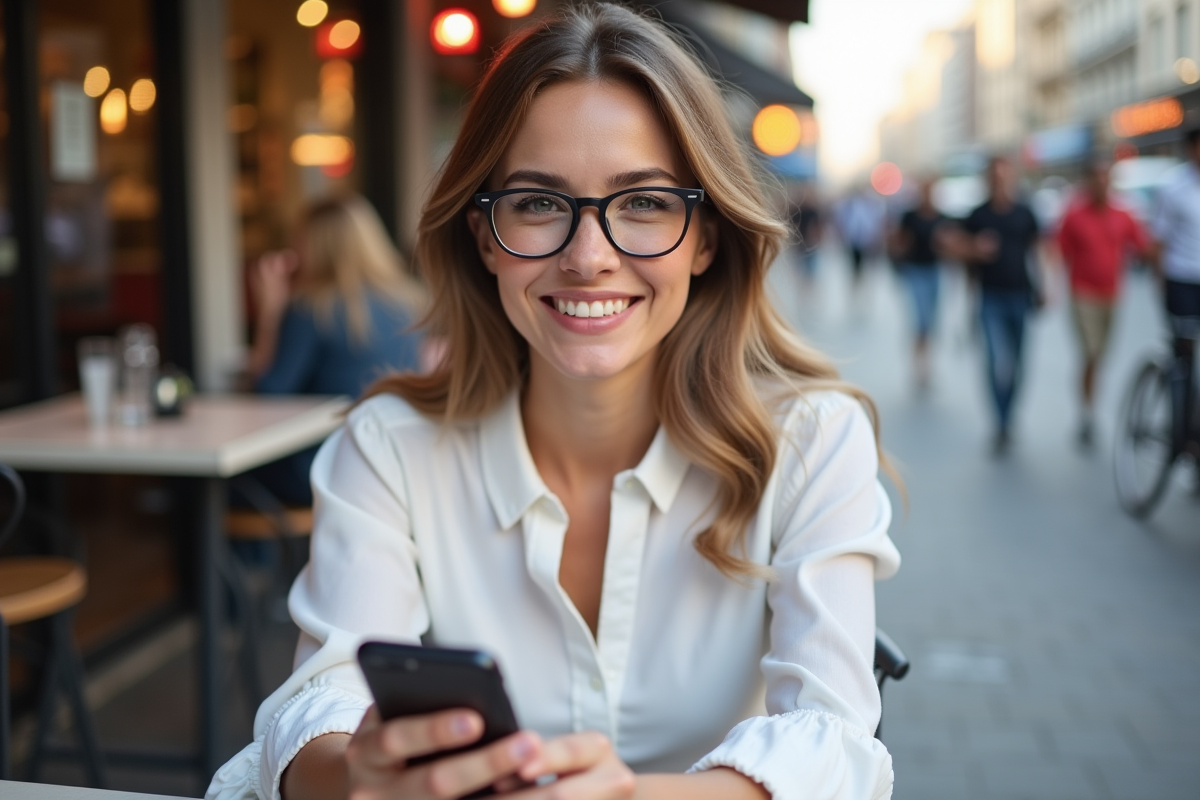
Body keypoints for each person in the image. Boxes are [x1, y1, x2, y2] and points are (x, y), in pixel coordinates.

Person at [207, 6, 900, 800]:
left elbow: (836, 746)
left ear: (706, 236)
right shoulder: (389, 446)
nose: (589, 257)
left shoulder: (812, 440)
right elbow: (319, 707)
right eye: (537, 203)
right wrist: (356, 779)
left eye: (643, 202)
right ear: (484, 235)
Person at [241, 194, 427, 506]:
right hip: (393, 463)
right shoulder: (408, 303)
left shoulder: (313, 309)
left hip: (323, 466)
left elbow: (267, 394)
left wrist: (270, 312)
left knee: (229, 482)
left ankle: (259, 556)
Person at [1055, 159, 1147, 448]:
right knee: (1091, 353)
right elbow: (1058, 250)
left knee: (1100, 357)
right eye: (1096, 178)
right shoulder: (1074, 215)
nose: (1101, 183)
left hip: (1112, 295)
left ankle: (1090, 406)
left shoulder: (1123, 214)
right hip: (1082, 294)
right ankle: (1087, 414)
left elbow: (1143, 248)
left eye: (1105, 178)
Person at [962, 156, 1043, 454]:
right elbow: (959, 251)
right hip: (990, 297)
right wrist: (974, 248)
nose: (1000, 181)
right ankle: (1000, 421)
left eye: (1004, 175)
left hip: (1020, 295)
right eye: (994, 176)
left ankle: (1008, 417)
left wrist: (1046, 286)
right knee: (997, 363)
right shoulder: (977, 215)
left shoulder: (1025, 212)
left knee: (1019, 364)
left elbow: (1038, 251)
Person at [1148, 127, 1200, 453]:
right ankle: (1180, 429)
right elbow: (1157, 242)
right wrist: (1160, 285)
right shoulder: (1174, 188)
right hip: (1181, 280)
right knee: (1184, 358)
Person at [891, 178, 946, 389]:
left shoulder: (941, 217)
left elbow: (950, 243)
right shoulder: (910, 216)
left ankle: (927, 363)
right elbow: (898, 242)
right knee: (920, 320)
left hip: (935, 272)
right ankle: (918, 366)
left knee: (931, 321)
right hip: (915, 272)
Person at [836, 185, 885, 290]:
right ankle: (857, 283)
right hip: (854, 240)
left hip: (868, 240)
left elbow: (875, 222)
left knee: (869, 266)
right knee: (855, 265)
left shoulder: (872, 206)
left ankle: (866, 285)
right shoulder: (850, 205)